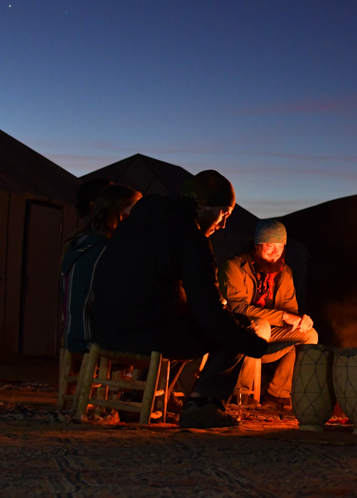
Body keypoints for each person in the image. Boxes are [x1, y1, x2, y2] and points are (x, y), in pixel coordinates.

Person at [89, 170, 269, 428]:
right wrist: (256, 346)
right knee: (236, 328)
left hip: (104, 329)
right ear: (204, 207)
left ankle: (141, 398)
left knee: (181, 321)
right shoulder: (190, 237)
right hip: (143, 333)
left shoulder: (136, 223)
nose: (223, 224)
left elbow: (147, 286)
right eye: (223, 214)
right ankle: (203, 405)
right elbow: (209, 312)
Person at [219, 219, 318, 407]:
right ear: (257, 245)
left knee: (310, 335)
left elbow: (291, 312)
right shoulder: (234, 267)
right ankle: (241, 392)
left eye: (280, 247)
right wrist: (282, 317)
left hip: (269, 336)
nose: (275, 252)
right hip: (237, 334)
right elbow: (238, 308)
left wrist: (301, 321)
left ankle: (277, 393)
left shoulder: (285, 273)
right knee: (261, 326)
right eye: (270, 246)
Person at [60, 184, 141, 353]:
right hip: (93, 339)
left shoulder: (79, 244)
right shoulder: (109, 250)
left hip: (72, 334)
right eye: (136, 208)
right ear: (119, 212)